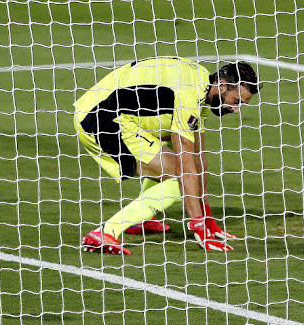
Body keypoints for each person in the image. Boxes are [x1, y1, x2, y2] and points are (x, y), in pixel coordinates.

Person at [73, 56, 259, 255]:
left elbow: (198, 157)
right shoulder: (188, 95)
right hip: (102, 119)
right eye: (236, 101)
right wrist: (198, 227)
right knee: (181, 179)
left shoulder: (203, 85)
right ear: (222, 84)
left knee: (177, 155)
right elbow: (186, 167)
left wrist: (207, 218)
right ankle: (105, 232)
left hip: (117, 115)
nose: (237, 109)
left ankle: (141, 219)